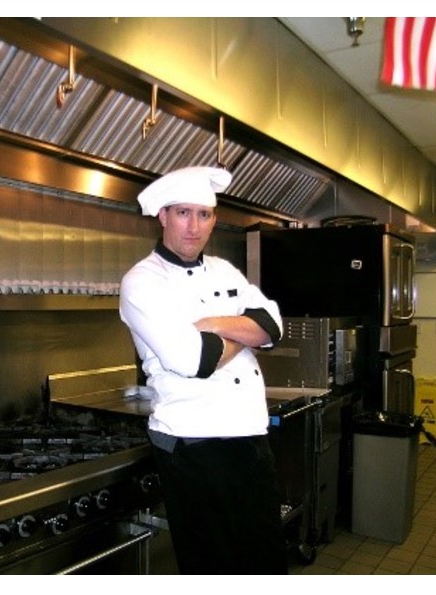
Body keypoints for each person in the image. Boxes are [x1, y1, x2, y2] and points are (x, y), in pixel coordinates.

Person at [119, 165, 287, 575]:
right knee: (214, 566)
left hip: (249, 436)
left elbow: (272, 325)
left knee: (266, 561)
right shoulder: (142, 281)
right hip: (194, 444)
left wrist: (210, 326)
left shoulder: (225, 270)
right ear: (163, 216)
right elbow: (195, 360)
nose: (194, 227)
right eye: (183, 213)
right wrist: (241, 334)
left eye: (204, 215)